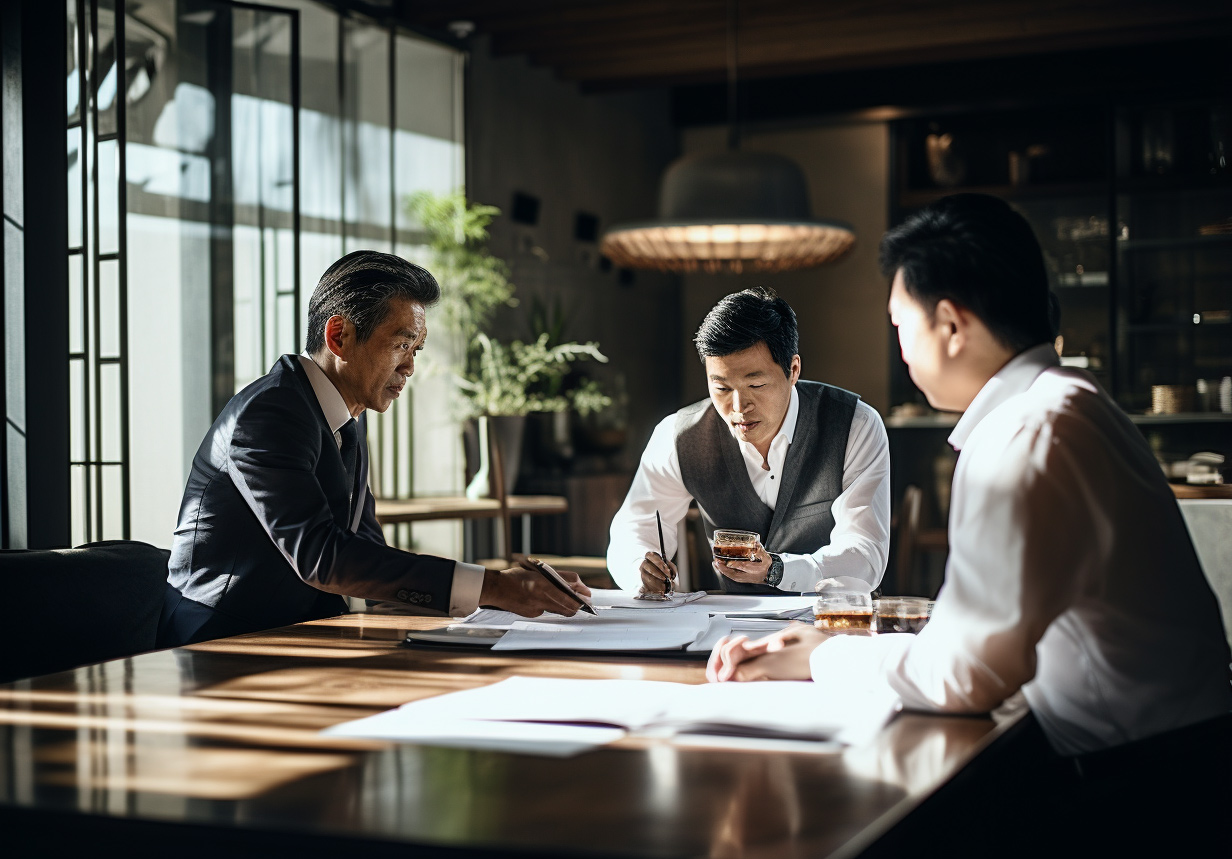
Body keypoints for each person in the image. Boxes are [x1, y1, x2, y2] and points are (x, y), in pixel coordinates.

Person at [707, 194, 1232, 757]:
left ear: (951, 325)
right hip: (1175, 749)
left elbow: (968, 673)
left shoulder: (1026, 435)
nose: (902, 349)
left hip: (1135, 777)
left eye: (901, 325)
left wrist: (821, 654)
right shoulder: (1070, 404)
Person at [159, 251, 589, 646]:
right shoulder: (270, 413)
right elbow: (323, 557)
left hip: (299, 635)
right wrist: (493, 586)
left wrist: (493, 598)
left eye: (416, 350)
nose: (410, 367)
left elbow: (366, 550)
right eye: (401, 345)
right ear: (340, 335)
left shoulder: (346, 415)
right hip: (220, 643)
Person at [607, 287, 891, 596]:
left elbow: (866, 553)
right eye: (722, 388)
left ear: (793, 370)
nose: (739, 406)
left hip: (832, 624)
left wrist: (778, 570)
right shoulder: (679, 437)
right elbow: (632, 529)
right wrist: (640, 569)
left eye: (756, 384)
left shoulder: (854, 425)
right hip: (730, 628)